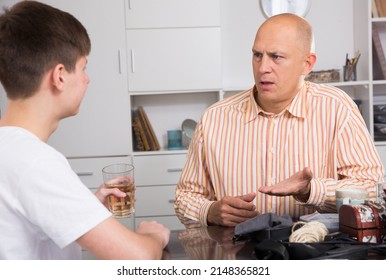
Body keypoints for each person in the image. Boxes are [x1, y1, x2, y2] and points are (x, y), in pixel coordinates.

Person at [174, 13, 384, 228]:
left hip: (313, 251)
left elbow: (373, 189)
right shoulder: (214, 118)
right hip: (237, 253)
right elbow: (185, 197)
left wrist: (311, 190)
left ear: (307, 64)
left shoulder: (337, 108)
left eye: (276, 57)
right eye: (257, 55)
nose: (263, 67)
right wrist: (209, 211)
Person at [0, 1, 169, 259]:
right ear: (59, 76)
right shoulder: (35, 161)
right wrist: (154, 236)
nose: (87, 79)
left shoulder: (12, 150)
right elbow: (138, 258)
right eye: (83, 67)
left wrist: (86, 208)